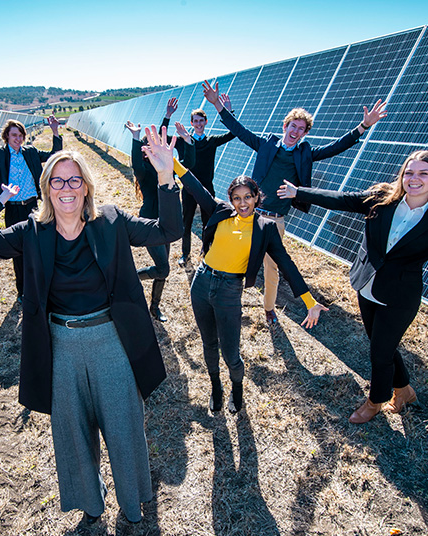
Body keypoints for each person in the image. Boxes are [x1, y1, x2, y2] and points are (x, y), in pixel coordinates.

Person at [0, 127, 182, 523]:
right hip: (60, 345)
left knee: (124, 425)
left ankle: (132, 503)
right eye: (57, 180)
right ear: (46, 188)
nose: (66, 187)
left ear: (85, 187)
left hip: (111, 340)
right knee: (72, 434)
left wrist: (167, 179)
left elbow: (170, 230)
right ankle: (91, 502)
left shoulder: (112, 221)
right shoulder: (32, 232)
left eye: (74, 180)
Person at [278, 150, 428, 424]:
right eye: (409, 172)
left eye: (423, 173)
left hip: (400, 297)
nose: (413, 178)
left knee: (380, 352)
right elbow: (341, 200)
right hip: (367, 285)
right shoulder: (381, 199)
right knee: (382, 343)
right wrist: (299, 192)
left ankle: (375, 401)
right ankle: (404, 390)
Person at [202, 80, 387, 325]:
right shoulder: (266, 144)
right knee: (236, 261)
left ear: (305, 134)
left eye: (301, 129)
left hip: (275, 221)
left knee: (272, 270)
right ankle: (226, 303)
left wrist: (363, 126)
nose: (296, 131)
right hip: (249, 215)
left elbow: (336, 147)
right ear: (285, 125)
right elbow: (240, 131)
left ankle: (268, 308)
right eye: (293, 125)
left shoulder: (305, 154)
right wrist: (217, 105)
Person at [173, 147, 327, 414]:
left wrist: (309, 300)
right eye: (236, 198)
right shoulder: (219, 211)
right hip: (201, 282)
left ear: (257, 197)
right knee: (208, 344)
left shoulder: (265, 227)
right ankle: (216, 388)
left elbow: (286, 264)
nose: (242, 203)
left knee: (231, 354)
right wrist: (171, 161)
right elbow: (195, 187)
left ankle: (237, 390)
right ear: (230, 199)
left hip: (229, 290)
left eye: (248, 197)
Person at [0, 111, 63, 302]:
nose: (18, 139)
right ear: (6, 137)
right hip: (12, 208)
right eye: (14, 135)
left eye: (20, 135)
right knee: (18, 250)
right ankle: (23, 292)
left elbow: (55, 155)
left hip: (33, 207)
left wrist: (55, 132)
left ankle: (43, 286)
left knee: (39, 245)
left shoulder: (31, 152)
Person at [124, 118, 195, 321]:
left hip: (167, 224)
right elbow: (136, 164)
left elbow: (189, 164)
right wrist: (136, 137)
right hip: (148, 224)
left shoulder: (168, 168)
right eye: (150, 146)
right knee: (163, 267)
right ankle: (132, 278)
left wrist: (188, 141)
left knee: (162, 270)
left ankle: (154, 308)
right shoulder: (145, 172)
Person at [161, 96, 237, 267]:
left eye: (201, 121)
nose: (198, 124)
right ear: (192, 123)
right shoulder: (182, 142)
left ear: (206, 122)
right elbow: (161, 136)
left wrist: (228, 111)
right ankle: (185, 255)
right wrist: (167, 115)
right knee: (185, 223)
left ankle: (206, 253)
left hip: (207, 189)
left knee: (208, 222)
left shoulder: (211, 142)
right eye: (195, 121)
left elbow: (233, 133)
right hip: (188, 189)